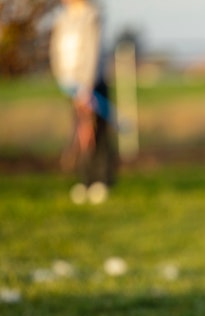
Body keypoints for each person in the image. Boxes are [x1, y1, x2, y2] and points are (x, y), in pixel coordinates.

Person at [50, 0, 117, 204]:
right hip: (71, 85)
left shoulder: (91, 16)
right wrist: (64, 80)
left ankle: (101, 180)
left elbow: (92, 52)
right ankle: (85, 179)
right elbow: (56, 51)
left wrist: (86, 87)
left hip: (92, 85)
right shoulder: (61, 18)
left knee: (98, 132)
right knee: (80, 132)